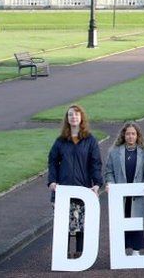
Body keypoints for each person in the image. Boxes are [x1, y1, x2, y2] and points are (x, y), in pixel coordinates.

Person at [47, 104, 103, 259]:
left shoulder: (90, 140)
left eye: (77, 115)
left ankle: (80, 254)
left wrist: (97, 183)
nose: (73, 117)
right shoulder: (60, 141)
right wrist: (52, 181)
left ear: (81, 118)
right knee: (64, 224)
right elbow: (52, 162)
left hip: (83, 188)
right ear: (67, 118)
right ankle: (63, 255)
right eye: (71, 115)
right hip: (64, 188)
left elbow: (96, 163)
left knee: (81, 223)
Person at [104, 122, 144, 256]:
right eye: (128, 134)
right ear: (123, 135)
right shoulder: (114, 152)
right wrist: (110, 184)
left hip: (137, 193)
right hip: (120, 193)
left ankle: (136, 250)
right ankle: (121, 250)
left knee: (135, 219)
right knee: (121, 220)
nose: (130, 136)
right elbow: (109, 171)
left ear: (137, 136)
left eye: (133, 134)